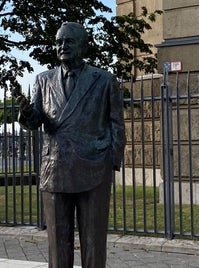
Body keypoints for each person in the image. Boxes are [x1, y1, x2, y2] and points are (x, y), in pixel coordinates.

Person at [16, 22, 126, 268]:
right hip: (54, 168)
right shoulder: (43, 80)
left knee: (94, 241)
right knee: (58, 242)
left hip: (94, 169)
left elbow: (117, 124)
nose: (62, 46)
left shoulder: (105, 80)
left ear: (84, 47)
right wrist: (26, 114)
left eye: (68, 41)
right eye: (58, 42)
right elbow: (37, 120)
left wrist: (112, 162)